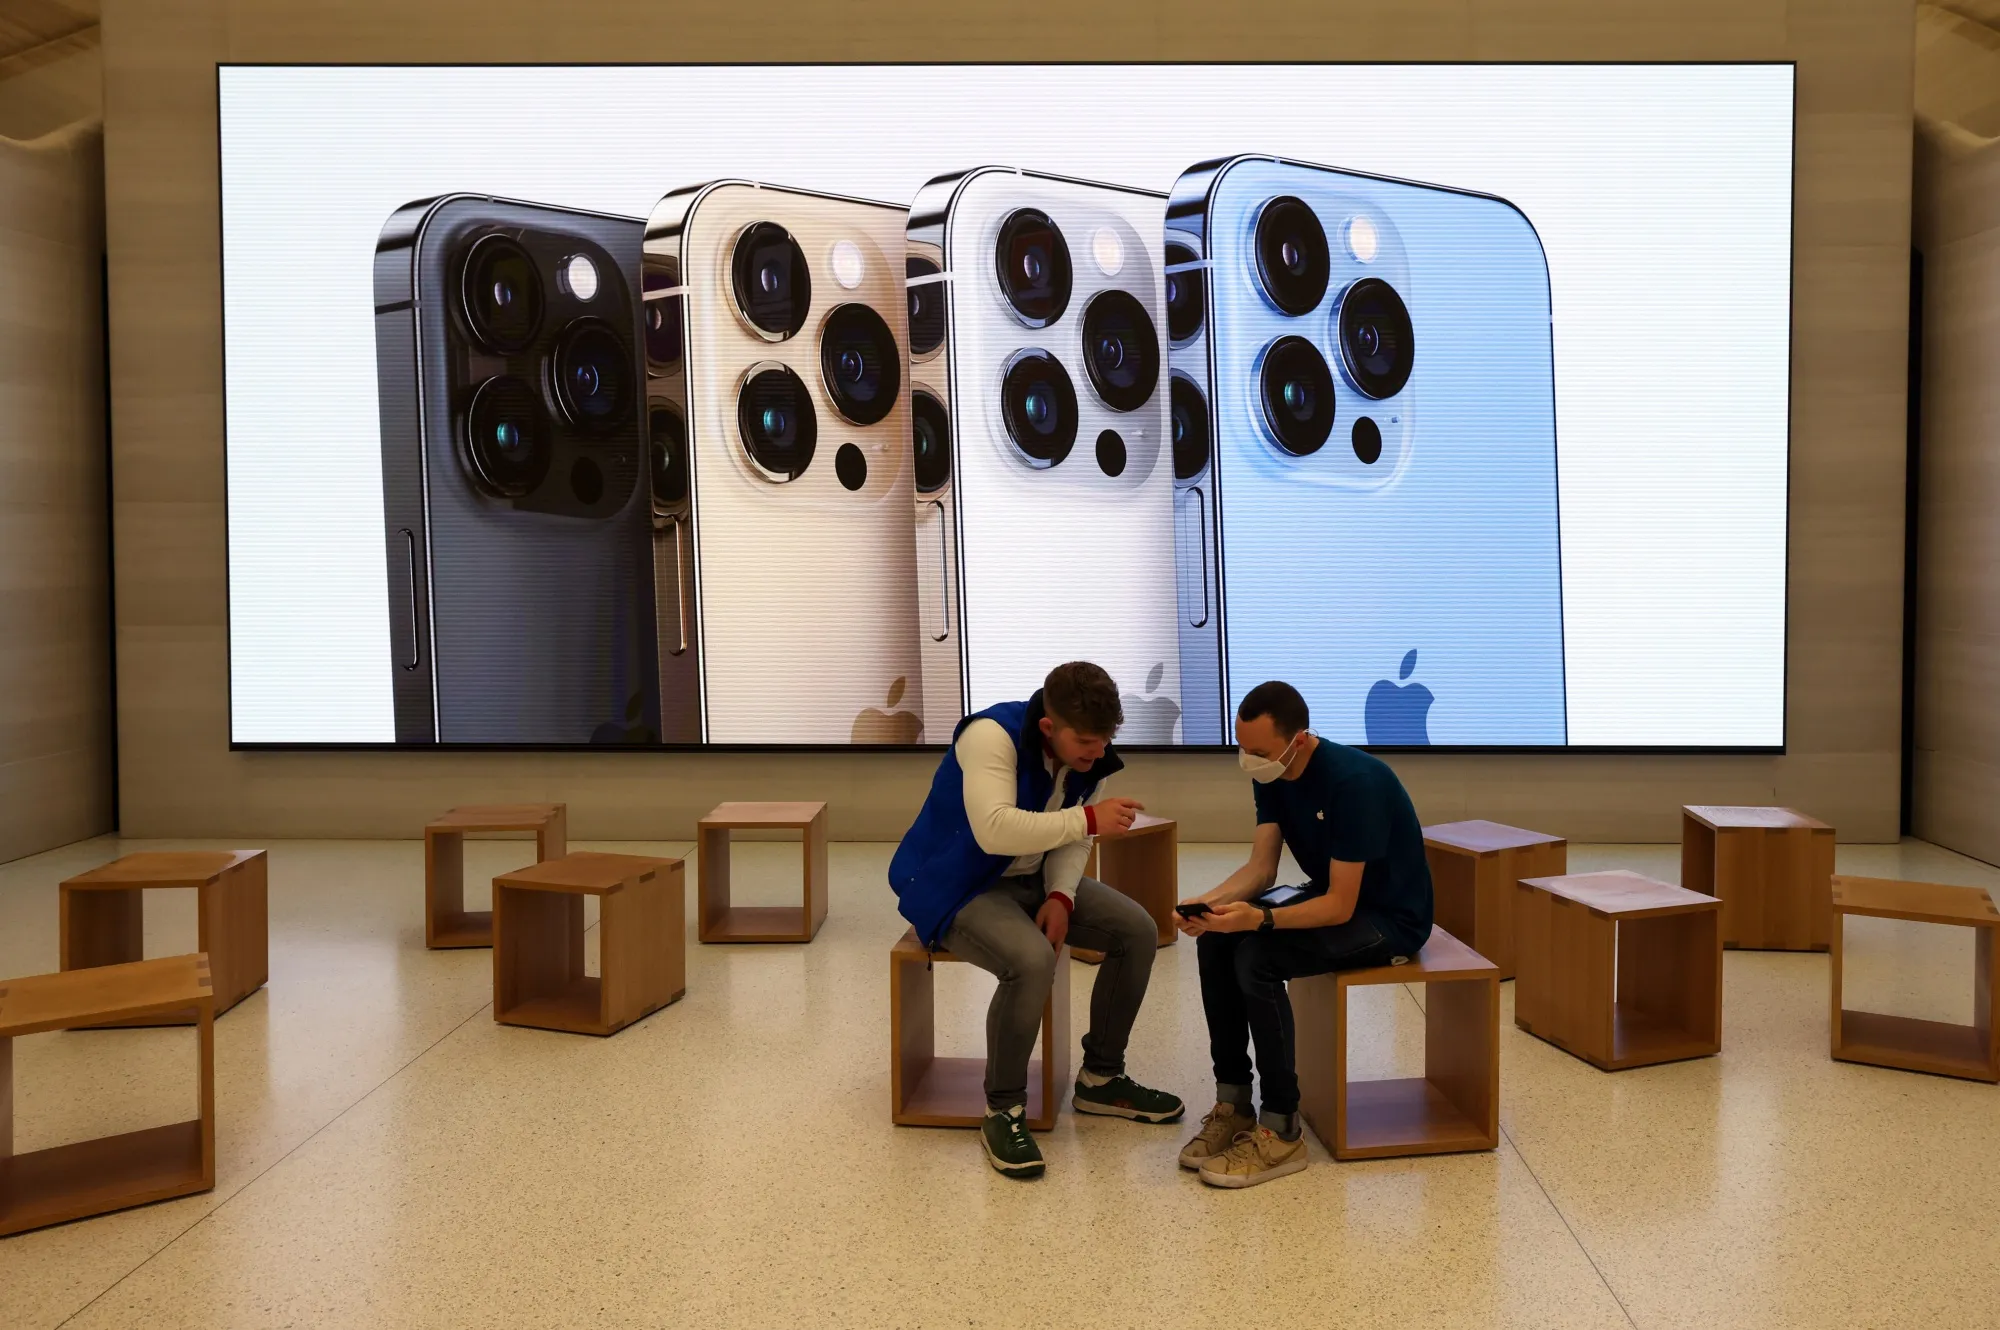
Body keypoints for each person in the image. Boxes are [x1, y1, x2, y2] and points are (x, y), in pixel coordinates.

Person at [890, 661, 1185, 1178]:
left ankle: (1101, 1079)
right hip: (954, 883)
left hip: (1028, 877)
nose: (1096, 753)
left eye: (1104, 741)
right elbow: (994, 832)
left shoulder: (1088, 754)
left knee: (1136, 930)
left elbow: (1074, 838)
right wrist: (1091, 817)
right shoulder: (990, 737)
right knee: (1029, 961)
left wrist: (1061, 897)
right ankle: (1002, 1109)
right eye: (1086, 742)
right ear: (1049, 727)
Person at [1174, 680, 1433, 1188]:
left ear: (1300, 738)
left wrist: (1264, 919)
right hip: (1330, 895)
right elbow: (1262, 868)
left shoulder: (1355, 782)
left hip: (1388, 918)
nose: (1249, 760)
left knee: (1258, 959)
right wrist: (1212, 904)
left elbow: (1340, 905)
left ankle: (1281, 1129)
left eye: (1259, 751)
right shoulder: (1270, 770)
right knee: (1218, 939)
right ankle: (1234, 1103)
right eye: (1242, 749)